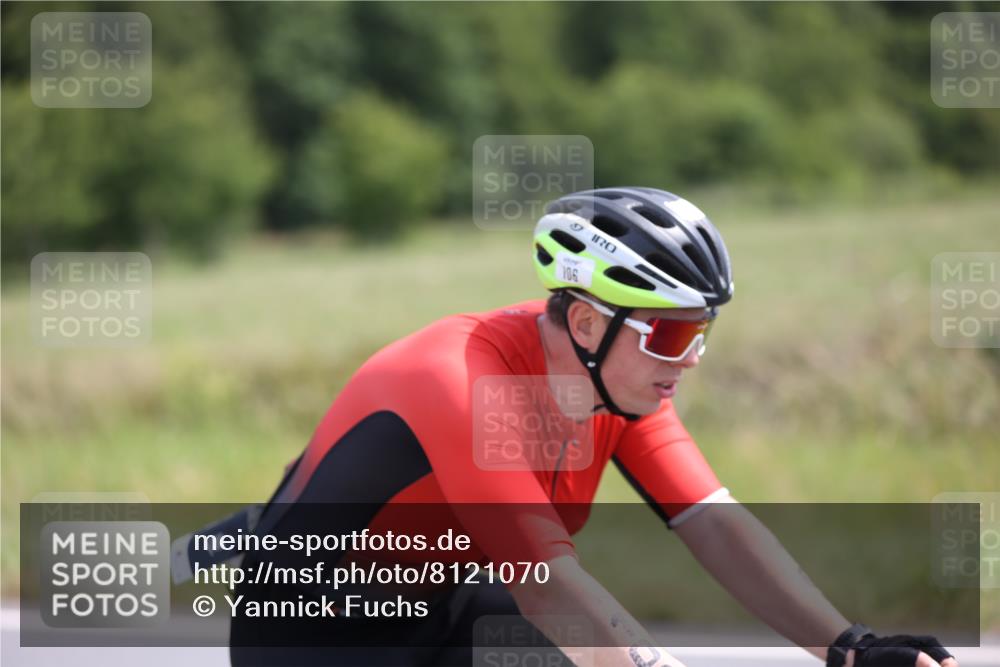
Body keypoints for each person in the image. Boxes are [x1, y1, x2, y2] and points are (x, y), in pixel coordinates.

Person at [229, 187, 958, 667]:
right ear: (585, 320)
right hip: (310, 635)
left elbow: (714, 523)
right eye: (671, 336)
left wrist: (849, 646)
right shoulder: (461, 380)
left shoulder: (616, 382)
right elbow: (548, 585)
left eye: (702, 333)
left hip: (439, 609)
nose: (692, 359)